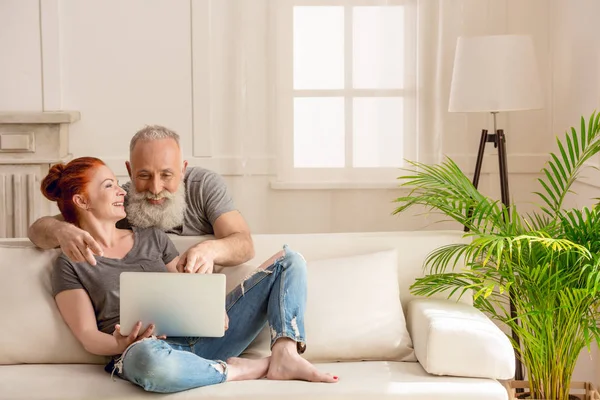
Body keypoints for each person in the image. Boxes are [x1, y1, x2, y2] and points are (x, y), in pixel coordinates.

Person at [41, 156, 337, 393]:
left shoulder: (151, 237)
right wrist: (123, 344)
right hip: (147, 351)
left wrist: (207, 305)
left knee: (290, 261)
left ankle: (285, 354)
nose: (122, 191)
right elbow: (89, 337)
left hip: (204, 338)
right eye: (108, 186)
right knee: (149, 364)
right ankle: (240, 370)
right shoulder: (69, 263)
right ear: (82, 201)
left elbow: (185, 287)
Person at [28, 125, 252, 275]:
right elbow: (37, 231)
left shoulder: (204, 186)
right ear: (130, 170)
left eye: (166, 175)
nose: (155, 189)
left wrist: (210, 250)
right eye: (144, 175)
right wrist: (61, 231)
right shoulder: (120, 201)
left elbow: (244, 243)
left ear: (183, 170)